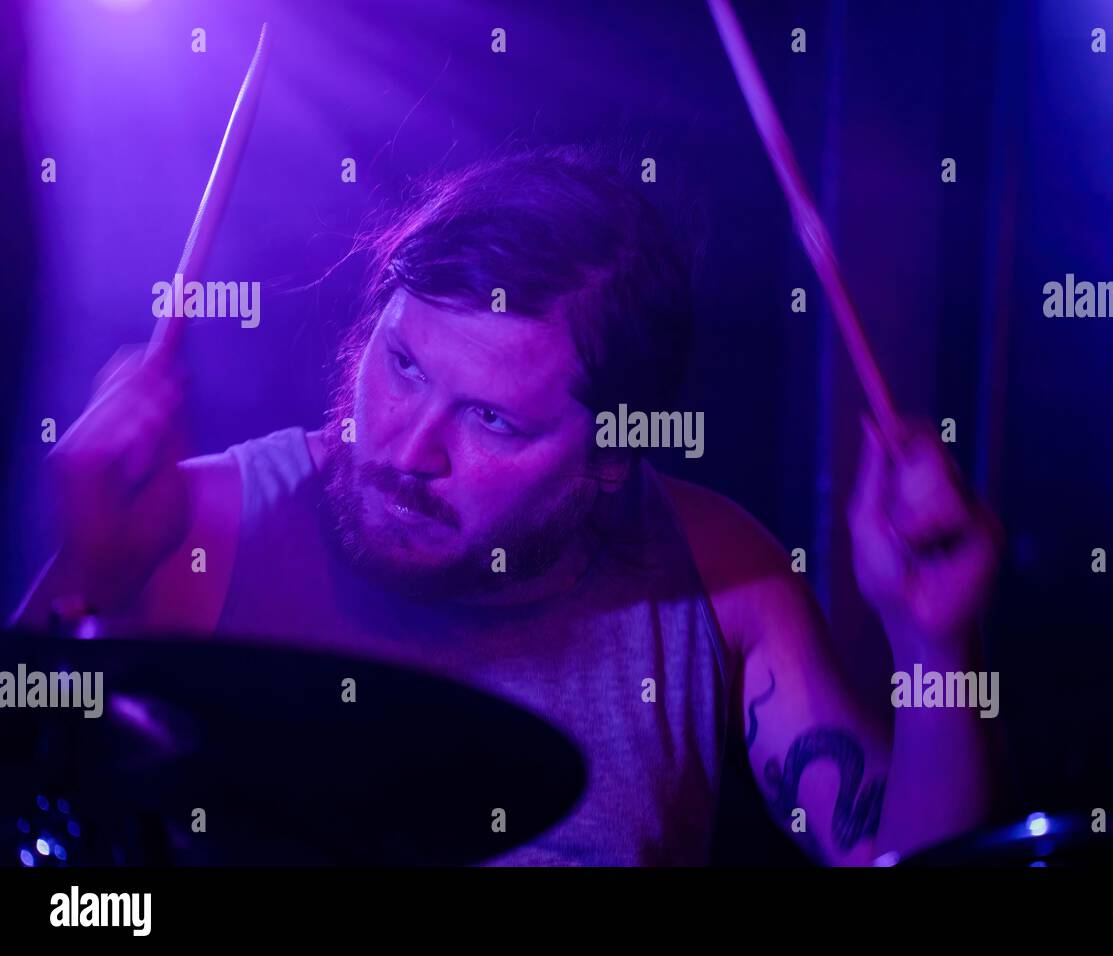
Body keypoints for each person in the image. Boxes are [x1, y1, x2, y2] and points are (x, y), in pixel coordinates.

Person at [14, 145, 1001, 865]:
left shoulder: (718, 577)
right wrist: (90, 578)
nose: (403, 448)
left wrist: (933, 648)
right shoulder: (203, 530)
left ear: (611, 459)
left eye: (491, 419)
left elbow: (907, 870)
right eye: (400, 364)